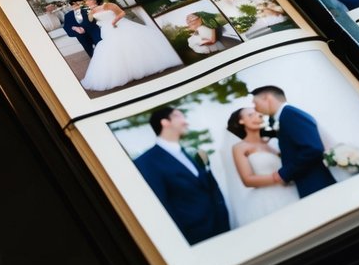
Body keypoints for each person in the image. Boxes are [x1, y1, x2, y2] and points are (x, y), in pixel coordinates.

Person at [135, 106, 230, 243]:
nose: (186, 122)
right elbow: (162, 204)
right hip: (193, 237)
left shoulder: (191, 153)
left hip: (221, 228)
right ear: (165, 122)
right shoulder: (147, 162)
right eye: (179, 116)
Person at [80, 0, 180, 92]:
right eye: (86, 1)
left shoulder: (108, 5)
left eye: (88, 0)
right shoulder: (92, 10)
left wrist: (114, 21)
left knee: (133, 43)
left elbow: (121, 13)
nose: (87, 2)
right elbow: (90, 21)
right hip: (107, 30)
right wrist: (89, 13)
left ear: (94, 0)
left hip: (120, 25)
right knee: (116, 49)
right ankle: (128, 73)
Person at [251, 85, 336, 197]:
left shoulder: (290, 115)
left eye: (255, 102)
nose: (255, 107)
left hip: (317, 184)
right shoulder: (286, 115)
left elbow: (313, 149)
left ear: (267, 97)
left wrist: (283, 173)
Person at [224, 106, 300, 225]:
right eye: (250, 115)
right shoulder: (239, 148)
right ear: (241, 121)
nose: (257, 116)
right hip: (266, 199)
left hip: (292, 190)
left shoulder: (274, 141)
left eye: (257, 114)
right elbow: (247, 180)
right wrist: (279, 177)